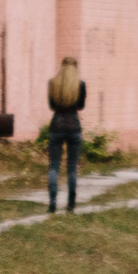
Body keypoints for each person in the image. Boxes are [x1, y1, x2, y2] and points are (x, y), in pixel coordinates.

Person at [44, 59, 87, 212]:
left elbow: (52, 106)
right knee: (72, 167)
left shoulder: (52, 83)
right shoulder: (80, 85)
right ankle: (71, 203)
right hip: (74, 126)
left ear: (61, 67)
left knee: (54, 166)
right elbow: (81, 106)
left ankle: (53, 202)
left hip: (56, 126)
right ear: (76, 67)